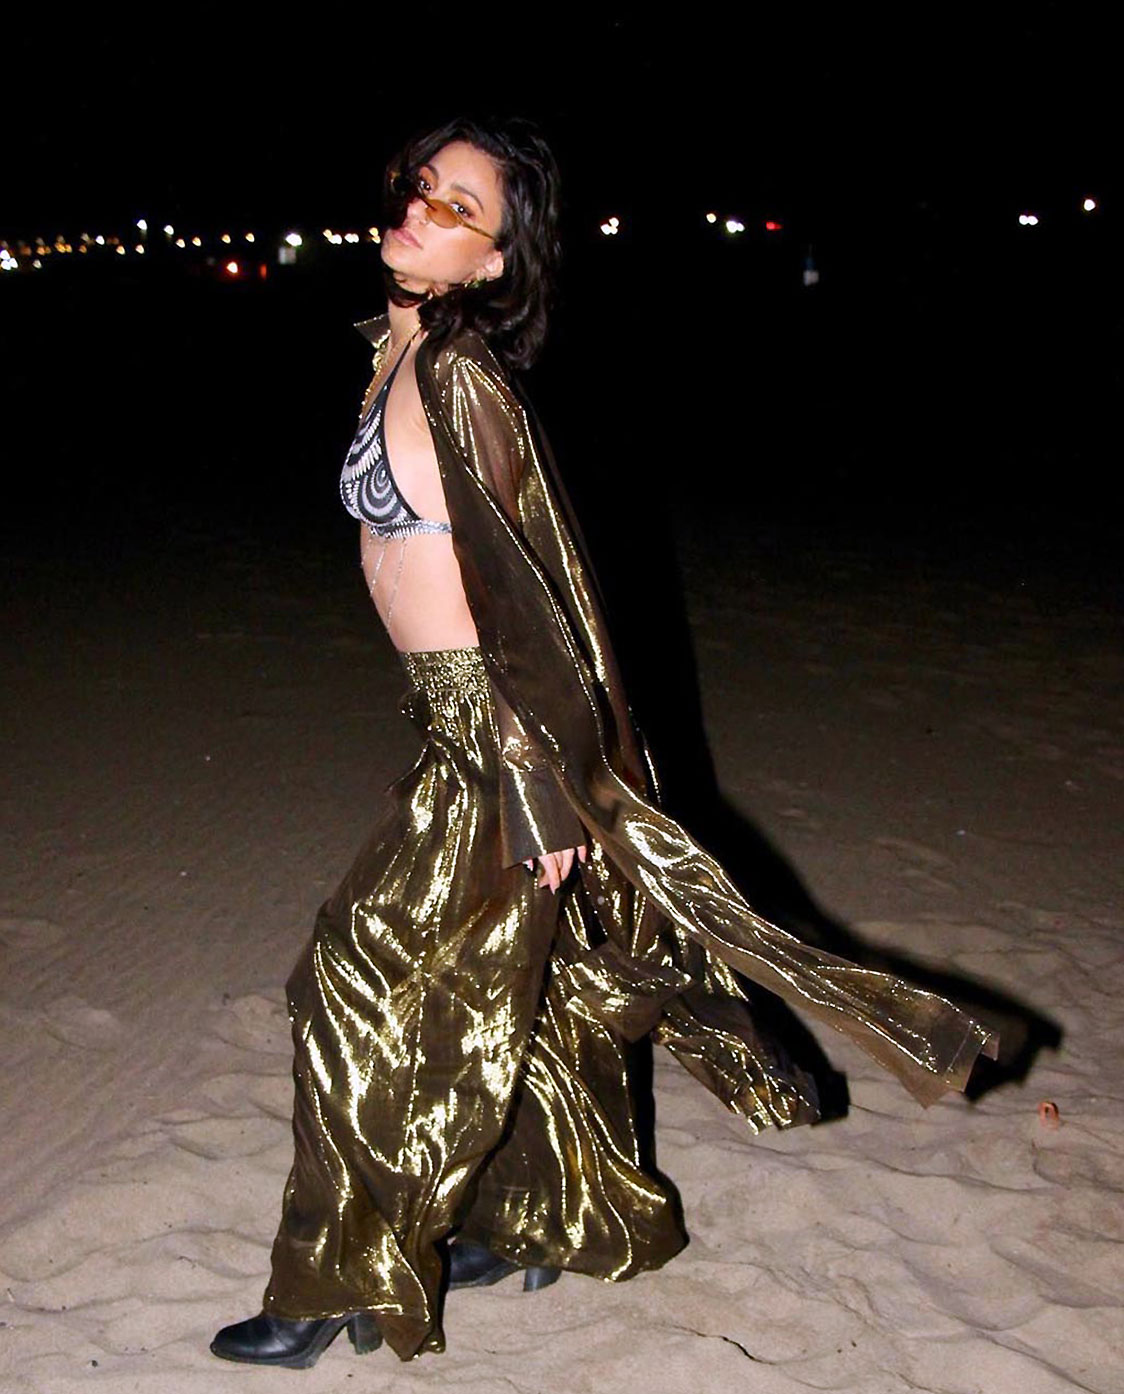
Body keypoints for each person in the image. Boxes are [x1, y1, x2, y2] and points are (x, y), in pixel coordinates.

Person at [211, 116, 997, 1369]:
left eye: (459, 207)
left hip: (496, 739)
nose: (421, 209)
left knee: (350, 985)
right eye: (421, 186)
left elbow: (537, 603)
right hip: (453, 723)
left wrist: (537, 786)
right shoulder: (401, 350)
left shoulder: (460, 376)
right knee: (535, 983)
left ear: (494, 260)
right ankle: (555, 1214)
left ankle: (336, 1278)